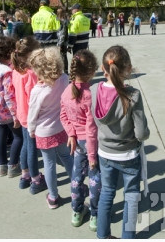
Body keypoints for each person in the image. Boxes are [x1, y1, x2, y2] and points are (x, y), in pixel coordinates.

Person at [94, 46, 150, 239]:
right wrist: (143, 136)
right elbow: (141, 132)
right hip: (127, 154)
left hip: (104, 153)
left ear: (104, 69)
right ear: (128, 69)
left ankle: (102, 235)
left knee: (107, 192)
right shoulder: (132, 95)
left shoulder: (96, 90)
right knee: (131, 195)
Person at [27, 47, 73, 210]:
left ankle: (53, 196)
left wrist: (31, 130)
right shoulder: (64, 79)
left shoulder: (37, 91)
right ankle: (77, 186)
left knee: (49, 164)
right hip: (61, 128)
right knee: (67, 157)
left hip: (44, 132)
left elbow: (32, 115)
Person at [60, 51, 101, 230]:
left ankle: (76, 211)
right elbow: (91, 129)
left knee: (77, 178)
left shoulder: (66, 91)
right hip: (91, 144)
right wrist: (92, 156)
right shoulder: (90, 95)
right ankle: (95, 214)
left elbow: (62, 115)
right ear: (91, 72)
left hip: (76, 143)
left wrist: (70, 133)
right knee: (95, 180)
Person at [11, 36, 47, 193]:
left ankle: (24, 175)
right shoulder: (31, 74)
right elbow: (35, 97)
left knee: (26, 144)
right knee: (32, 147)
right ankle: (36, 180)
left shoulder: (16, 71)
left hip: (22, 113)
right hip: (31, 116)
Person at [0, 36, 22, 178]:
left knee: (0, 137)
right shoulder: (6, 71)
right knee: (18, 137)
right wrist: (15, 116)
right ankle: (13, 165)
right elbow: (9, 95)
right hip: (7, 111)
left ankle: (2, 167)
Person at [56, 7, 69, 74]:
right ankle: (65, 71)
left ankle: (61, 72)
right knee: (64, 57)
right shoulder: (66, 21)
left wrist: (59, 44)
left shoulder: (59, 21)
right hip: (65, 41)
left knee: (59, 57)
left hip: (60, 42)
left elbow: (61, 34)